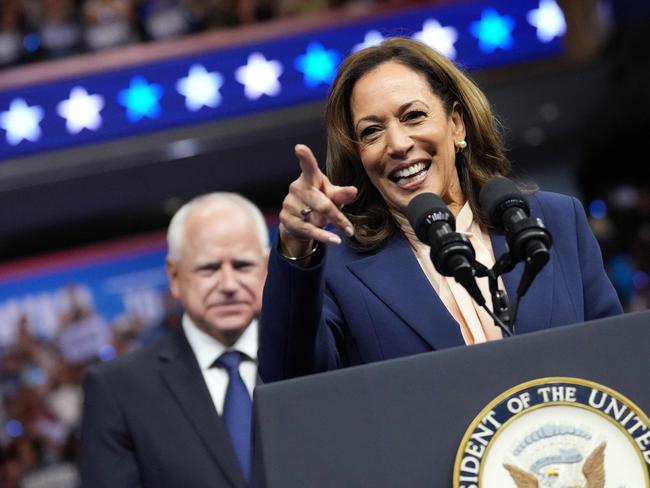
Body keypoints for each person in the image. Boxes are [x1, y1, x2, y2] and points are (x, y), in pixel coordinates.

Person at [258, 37, 622, 383]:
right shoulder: (338, 268)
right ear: (359, 157)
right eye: (371, 132)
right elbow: (291, 381)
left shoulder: (554, 220)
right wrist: (294, 250)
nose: (398, 144)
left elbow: (614, 357)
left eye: (414, 116)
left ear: (456, 123)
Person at [80, 193, 269, 487]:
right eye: (209, 268)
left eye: (243, 265)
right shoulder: (118, 389)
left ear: (266, 268)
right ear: (174, 276)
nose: (229, 285)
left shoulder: (308, 358)